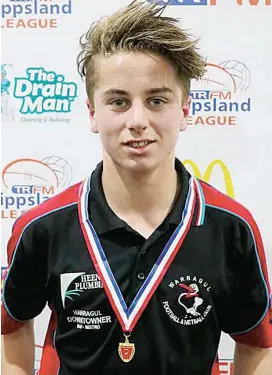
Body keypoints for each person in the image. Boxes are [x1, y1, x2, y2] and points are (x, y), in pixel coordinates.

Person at [1, 1, 272, 374]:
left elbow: (256, 347)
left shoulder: (231, 227)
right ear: (93, 113)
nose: (138, 120)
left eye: (157, 100)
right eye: (118, 102)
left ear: (185, 111)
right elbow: (12, 329)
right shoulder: (43, 227)